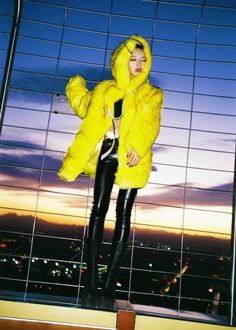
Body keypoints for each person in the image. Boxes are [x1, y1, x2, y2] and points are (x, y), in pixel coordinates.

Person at [58, 34, 163, 310]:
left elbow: (149, 121)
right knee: (98, 210)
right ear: (120, 62)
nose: (138, 64)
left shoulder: (152, 93)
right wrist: (76, 89)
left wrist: (139, 146)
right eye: (133, 60)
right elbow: (87, 108)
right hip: (108, 151)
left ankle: (108, 287)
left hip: (133, 159)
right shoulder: (107, 89)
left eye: (143, 60)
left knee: (123, 216)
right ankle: (91, 283)